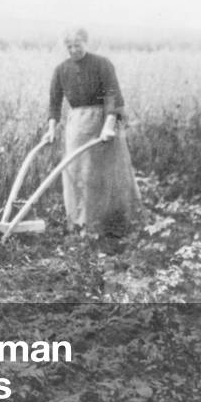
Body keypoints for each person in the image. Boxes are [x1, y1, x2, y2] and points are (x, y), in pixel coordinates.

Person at [41, 27, 141, 242]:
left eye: (77, 45)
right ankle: (80, 225)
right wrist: (50, 130)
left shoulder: (102, 64)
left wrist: (109, 125)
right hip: (77, 125)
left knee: (100, 175)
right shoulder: (61, 70)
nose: (74, 50)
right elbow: (54, 103)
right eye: (69, 47)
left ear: (86, 43)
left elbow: (113, 95)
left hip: (103, 123)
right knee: (77, 174)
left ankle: (111, 226)